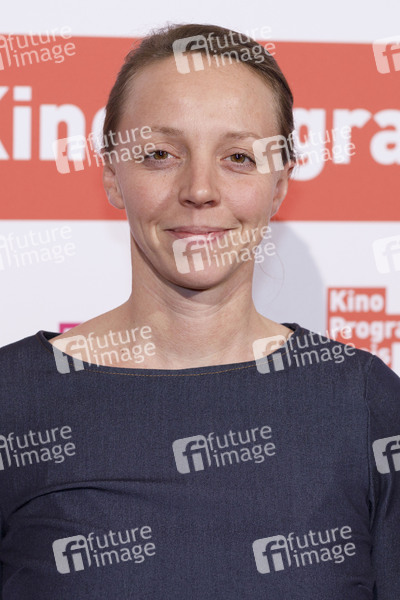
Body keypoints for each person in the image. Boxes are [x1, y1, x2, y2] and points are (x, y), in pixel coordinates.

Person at [0, 23, 399, 599]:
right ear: (112, 174)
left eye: (238, 157)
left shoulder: (365, 405)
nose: (200, 189)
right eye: (160, 154)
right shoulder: (13, 399)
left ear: (279, 185)